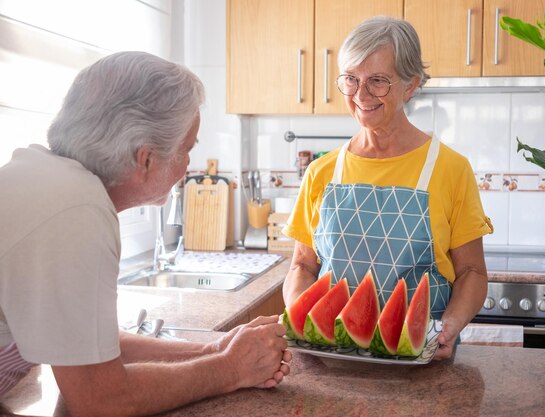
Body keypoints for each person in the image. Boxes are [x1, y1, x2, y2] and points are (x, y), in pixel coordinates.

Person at [0, 51, 290, 416]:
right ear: (146, 159)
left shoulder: (50, 180)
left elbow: (96, 348)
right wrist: (231, 368)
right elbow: (101, 401)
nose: (188, 165)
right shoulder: (76, 212)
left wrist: (215, 350)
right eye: (187, 149)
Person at [282, 16, 493, 359]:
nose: (361, 95)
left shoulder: (451, 169)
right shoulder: (321, 172)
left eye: (377, 81)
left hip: (420, 359)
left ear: (410, 85)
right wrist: (303, 318)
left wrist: (448, 327)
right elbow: (302, 267)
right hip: (332, 362)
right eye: (351, 79)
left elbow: (472, 272)